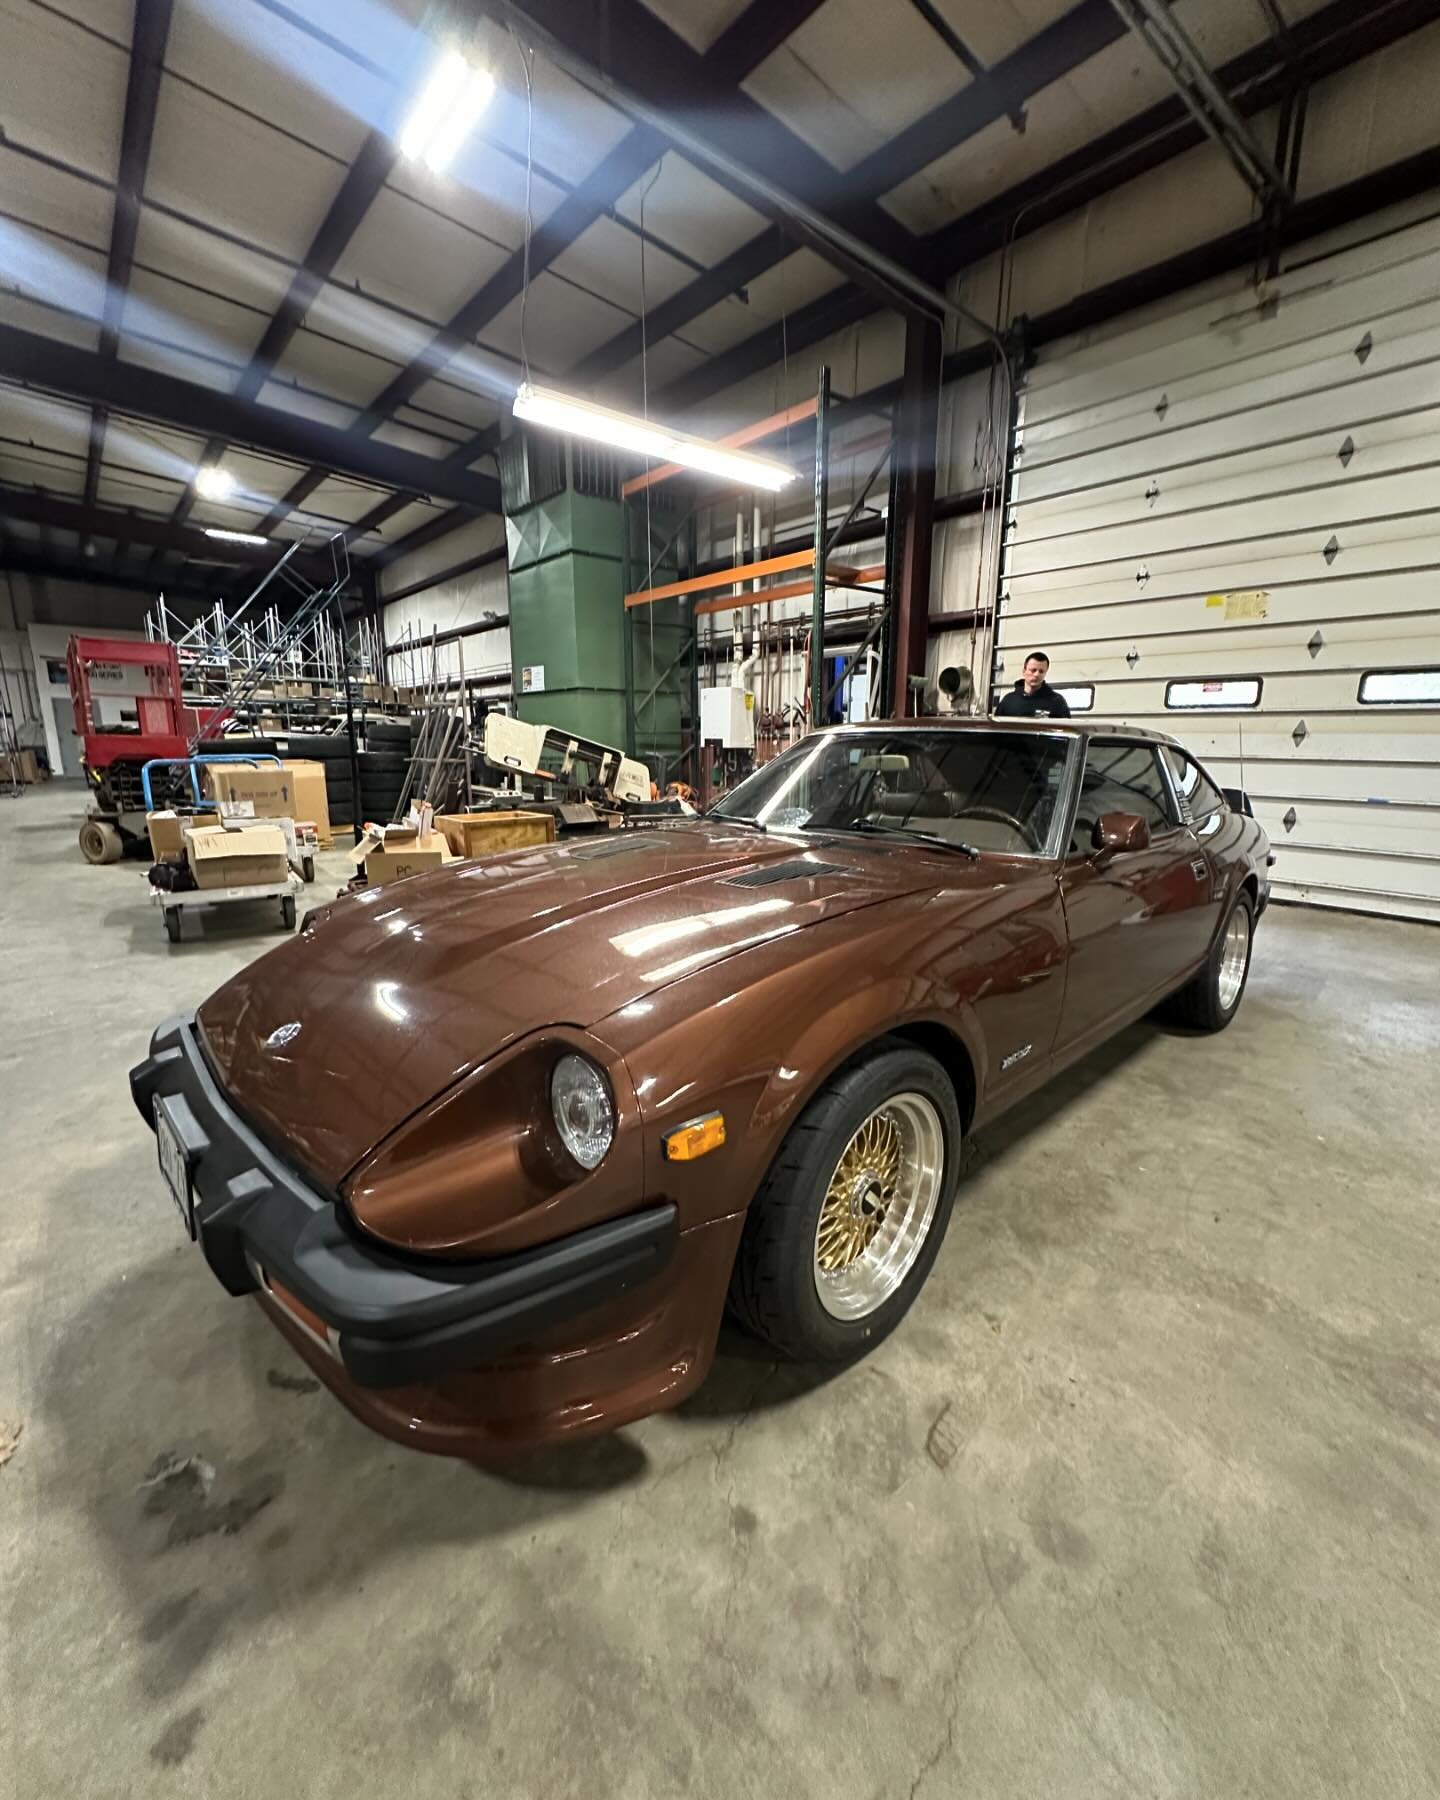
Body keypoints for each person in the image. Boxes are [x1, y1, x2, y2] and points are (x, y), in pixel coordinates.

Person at [996, 651, 1071, 719]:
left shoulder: (1057, 702)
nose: (1036, 674)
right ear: (1024, 671)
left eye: (1041, 671)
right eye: (1033, 670)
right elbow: (997, 729)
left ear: (1045, 673)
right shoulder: (1008, 701)